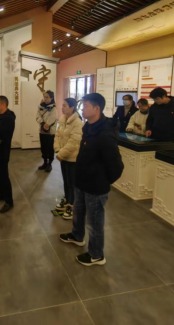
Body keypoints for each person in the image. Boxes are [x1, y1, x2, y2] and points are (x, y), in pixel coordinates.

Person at [59, 93, 124, 267]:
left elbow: (116, 166)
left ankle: (96, 255)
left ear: (97, 109)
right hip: (81, 181)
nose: (82, 109)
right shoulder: (88, 127)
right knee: (78, 212)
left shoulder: (105, 134)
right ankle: (77, 236)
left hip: (96, 186)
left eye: (86, 106)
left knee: (94, 222)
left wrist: (102, 181)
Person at [53, 98, 83, 220]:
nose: (62, 108)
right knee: (66, 180)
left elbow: (74, 142)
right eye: (62, 105)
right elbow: (57, 135)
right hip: (63, 156)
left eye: (65, 106)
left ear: (72, 108)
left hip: (72, 158)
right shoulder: (63, 119)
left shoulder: (77, 122)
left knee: (72, 182)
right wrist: (57, 150)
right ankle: (67, 199)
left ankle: (72, 205)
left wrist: (62, 153)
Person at [36, 90, 58, 172]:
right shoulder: (41, 107)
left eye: (47, 97)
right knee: (43, 147)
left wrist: (47, 124)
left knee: (50, 147)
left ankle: (50, 164)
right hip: (42, 130)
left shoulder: (54, 108)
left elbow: (53, 118)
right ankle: (45, 162)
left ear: (51, 98)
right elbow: (37, 116)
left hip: (50, 132)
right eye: (44, 97)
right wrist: (42, 123)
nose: (45, 99)